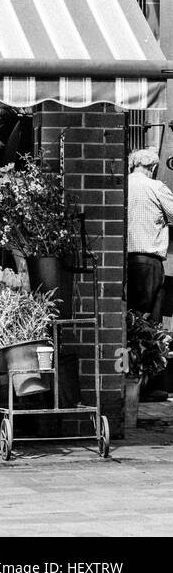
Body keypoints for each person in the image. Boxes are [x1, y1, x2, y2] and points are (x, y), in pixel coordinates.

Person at [127, 148, 173, 400]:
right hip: (148, 259)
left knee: (125, 323)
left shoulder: (123, 186)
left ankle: (123, 378)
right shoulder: (155, 187)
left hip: (123, 260)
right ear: (153, 167)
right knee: (149, 325)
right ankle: (147, 384)